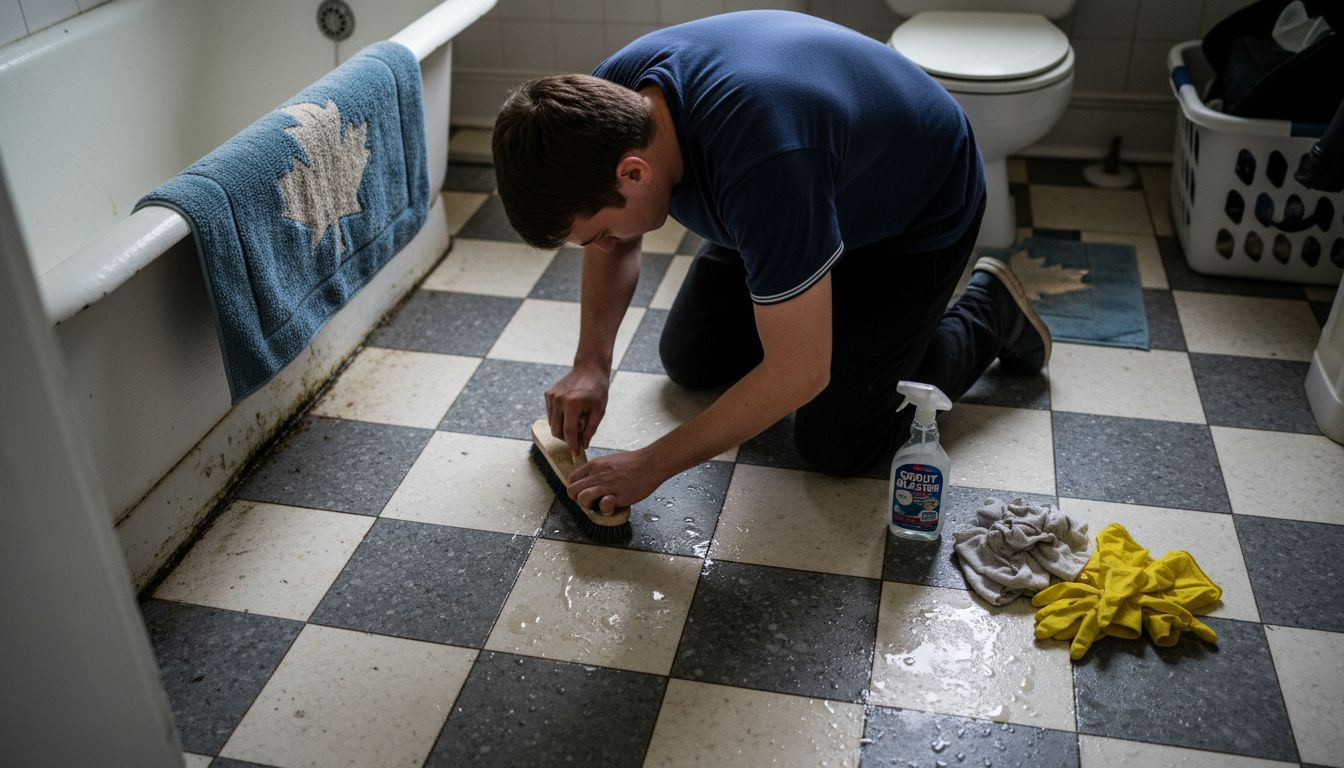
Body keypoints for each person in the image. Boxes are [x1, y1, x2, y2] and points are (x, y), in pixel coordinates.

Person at [491, 10, 1050, 516]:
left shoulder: (766, 166)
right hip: (807, 195)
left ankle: (990, 310)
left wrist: (652, 463)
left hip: (910, 216)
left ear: (634, 173)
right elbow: (623, 242)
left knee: (838, 441)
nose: (606, 247)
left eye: (601, 233)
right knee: (692, 359)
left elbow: (801, 372)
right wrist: (592, 362)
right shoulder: (607, 103)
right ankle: (810, 293)